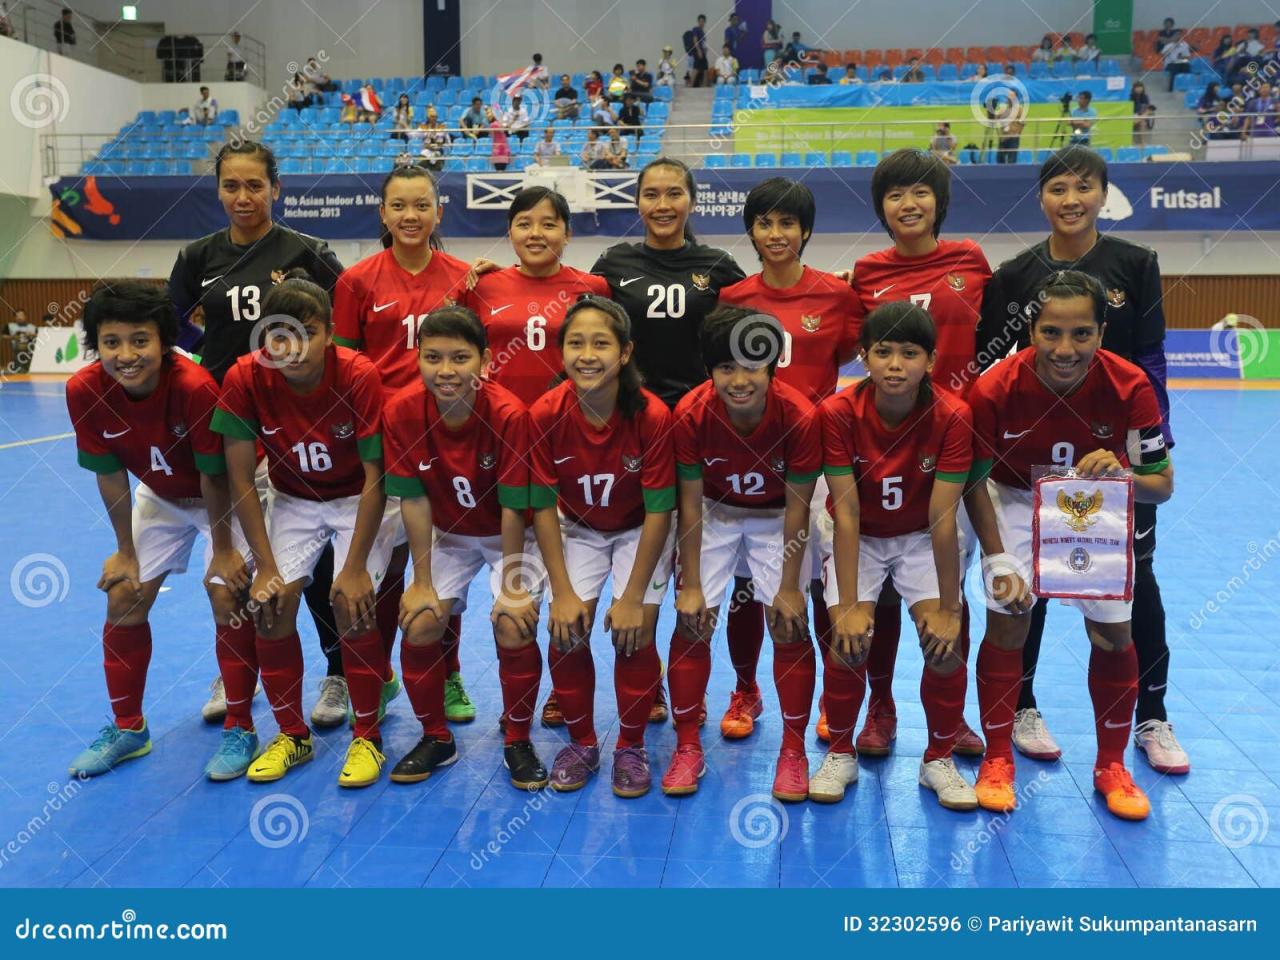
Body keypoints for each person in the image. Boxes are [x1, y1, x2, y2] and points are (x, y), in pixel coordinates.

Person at [976, 146, 1185, 775]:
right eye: (1058, 188)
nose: (1072, 199)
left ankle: (1145, 721)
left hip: (1104, 475)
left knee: (1128, 598)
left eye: (1084, 187)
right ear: (1040, 197)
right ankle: (1016, 715)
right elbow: (990, 365)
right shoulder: (1014, 277)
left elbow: (1149, 359)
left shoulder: (1135, 266)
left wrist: (1140, 456)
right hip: (1021, 476)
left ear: (1103, 194)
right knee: (1015, 602)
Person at [964, 270, 1174, 822]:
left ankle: (1111, 765)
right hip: (1010, 499)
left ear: (1102, 333)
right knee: (1008, 620)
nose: (1065, 348)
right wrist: (996, 556)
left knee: (1112, 635)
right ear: (1030, 329)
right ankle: (997, 758)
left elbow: (1164, 485)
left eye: (1081, 333)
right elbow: (970, 482)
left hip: (1093, 506)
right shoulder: (992, 388)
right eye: (1051, 332)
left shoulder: (1131, 386)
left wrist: (1123, 476)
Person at [168, 141, 347, 725]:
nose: (243, 197)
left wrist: (311, 381)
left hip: (296, 419)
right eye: (231, 186)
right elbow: (174, 320)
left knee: (313, 557)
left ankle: (338, 673)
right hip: (231, 414)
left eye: (255, 185)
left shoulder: (307, 251)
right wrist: (211, 363)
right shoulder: (199, 255)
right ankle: (236, 667)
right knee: (242, 552)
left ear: (276, 187)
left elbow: (342, 318)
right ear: (218, 189)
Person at [214, 275, 400, 787]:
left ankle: (368, 737)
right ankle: (292, 735)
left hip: (357, 500)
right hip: (293, 500)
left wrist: (357, 564)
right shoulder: (244, 377)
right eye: (280, 335)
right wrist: (267, 567)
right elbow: (238, 479)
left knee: (350, 603)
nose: (293, 348)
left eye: (308, 333)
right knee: (270, 606)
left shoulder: (358, 374)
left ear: (331, 333)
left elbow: (375, 477)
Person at [65, 282, 252, 780]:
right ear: (96, 344)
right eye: (111, 342)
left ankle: (241, 726)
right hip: (160, 495)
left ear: (164, 341)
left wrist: (226, 550)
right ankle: (129, 728)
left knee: (225, 595)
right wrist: (125, 550)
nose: (126, 355)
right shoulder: (83, 390)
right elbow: (111, 474)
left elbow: (215, 474)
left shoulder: (193, 387)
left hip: (225, 497)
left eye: (140, 340)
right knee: (123, 594)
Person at [841, 148, 991, 757]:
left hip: (955, 447)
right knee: (875, 591)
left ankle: (953, 719)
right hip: (879, 452)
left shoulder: (972, 261)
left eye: (920, 192)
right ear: (881, 207)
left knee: (949, 588)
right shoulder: (865, 273)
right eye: (895, 194)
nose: (909, 204)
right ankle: (880, 709)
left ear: (940, 202)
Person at [816, 302, 978, 809]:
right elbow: (846, 515)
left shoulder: (953, 415)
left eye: (909, 353)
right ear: (862, 355)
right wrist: (843, 604)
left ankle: (938, 759)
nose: (894, 364)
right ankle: (839, 753)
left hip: (920, 535)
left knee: (945, 641)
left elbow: (943, 518)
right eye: (882, 351)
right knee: (849, 637)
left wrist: (951, 610)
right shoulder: (837, 413)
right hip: (856, 535)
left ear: (930, 360)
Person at [333, 166, 477, 725]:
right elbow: (343, 369)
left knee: (444, 563)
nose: (410, 216)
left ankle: (450, 674)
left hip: (446, 442)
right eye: (399, 206)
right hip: (380, 443)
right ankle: (383, 678)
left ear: (439, 213)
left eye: (421, 206)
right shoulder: (356, 282)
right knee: (387, 568)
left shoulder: (466, 279)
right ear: (384, 214)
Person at [717, 178, 859, 739]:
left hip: (817, 464)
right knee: (748, 587)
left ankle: (826, 694)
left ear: (805, 230)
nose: (776, 234)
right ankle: (747, 688)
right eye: (764, 223)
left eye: (787, 223)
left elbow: (843, 357)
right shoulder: (733, 299)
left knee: (818, 585)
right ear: (750, 230)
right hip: (748, 462)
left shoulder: (837, 296)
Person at [382, 305, 546, 787]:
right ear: (418, 358)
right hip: (449, 534)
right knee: (420, 622)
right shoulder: (402, 411)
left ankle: (517, 738)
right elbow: (413, 500)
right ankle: (437, 737)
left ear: (486, 361)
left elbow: (516, 507)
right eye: (433, 357)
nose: (446, 370)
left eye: (460, 357)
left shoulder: (509, 414)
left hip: (512, 535)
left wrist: (514, 586)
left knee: (514, 624)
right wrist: (422, 581)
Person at [666, 307, 820, 800]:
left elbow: (798, 509)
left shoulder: (798, 416)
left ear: (773, 367)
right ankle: (688, 746)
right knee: (692, 620)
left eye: (751, 366)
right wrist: (689, 586)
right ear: (709, 371)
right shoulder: (690, 413)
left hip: (780, 515)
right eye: (725, 368)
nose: (738, 380)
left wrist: (791, 588)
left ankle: (792, 751)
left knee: (790, 622)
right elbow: (688, 502)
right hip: (713, 511)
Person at [529, 296, 676, 796]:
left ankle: (630, 745)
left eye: (601, 343)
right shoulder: (546, 412)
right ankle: (583, 742)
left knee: (633, 631)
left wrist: (633, 598)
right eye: (575, 343)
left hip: (640, 528)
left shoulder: (652, 416)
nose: (587, 354)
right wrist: (564, 592)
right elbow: (543, 509)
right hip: (580, 528)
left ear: (626, 351)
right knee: (566, 628)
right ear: (561, 352)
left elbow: (659, 512)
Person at [591, 157, 746, 409]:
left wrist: (830, 282)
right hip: (633, 409)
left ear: (693, 202)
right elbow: (569, 296)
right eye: (651, 195)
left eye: (674, 194)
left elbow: (762, 298)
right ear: (637, 203)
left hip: (701, 408)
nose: (662, 205)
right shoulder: (613, 262)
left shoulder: (719, 265)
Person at [462, 187, 610, 404]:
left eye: (548, 224)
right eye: (524, 224)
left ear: (568, 234)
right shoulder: (482, 286)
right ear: (510, 233)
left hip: (569, 417)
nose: (535, 233)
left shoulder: (594, 288)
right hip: (501, 417)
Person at [995, 86, 1025, 163]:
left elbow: (1023, 123)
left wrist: (1018, 133)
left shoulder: (1020, 109)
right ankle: (1000, 173)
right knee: (1000, 158)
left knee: (1012, 159)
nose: (1010, 98)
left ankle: (1011, 174)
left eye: (1012, 96)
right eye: (1009, 96)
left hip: (1013, 137)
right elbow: (995, 118)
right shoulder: (1003, 108)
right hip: (1003, 137)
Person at [685, 14, 709, 87]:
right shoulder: (696, 29)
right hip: (698, 51)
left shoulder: (702, 31)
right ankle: (691, 84)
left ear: (705, 22)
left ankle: (705, 84)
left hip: (702, 52)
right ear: (698, 22)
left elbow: (703, 43)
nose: (701, 23)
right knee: (697, 68)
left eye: (703, 21)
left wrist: (704, 51)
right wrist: (699, 51)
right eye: (700, 21)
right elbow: (695, 40)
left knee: (704, 68)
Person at [1131, 80, 1155, 145]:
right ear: (1134, 88)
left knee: (1143, 122)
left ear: (1143, 88)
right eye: (1137, 87)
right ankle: (1136, 121)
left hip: (1142, 115)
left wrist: (1147, 111)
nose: (1139, 89)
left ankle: (1142, 142)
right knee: (1141, 121)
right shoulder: (1130, 96)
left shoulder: (1145, 96)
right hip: (1133, 115)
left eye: (1140, 87)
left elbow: (1148, 107)